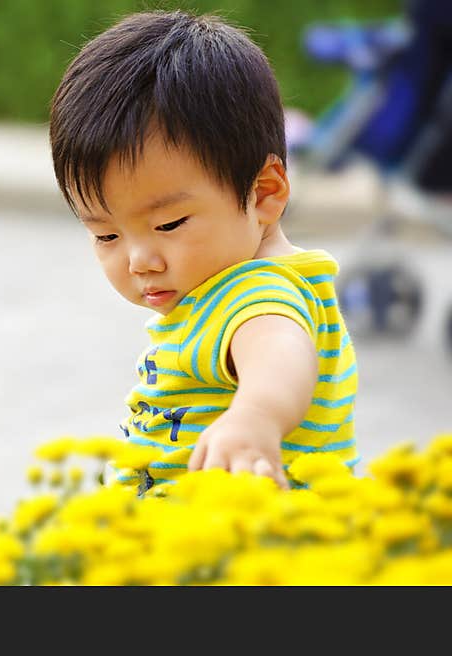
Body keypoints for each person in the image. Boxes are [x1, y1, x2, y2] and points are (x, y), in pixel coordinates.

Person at [49, 10, 359, 492]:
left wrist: (255, 418)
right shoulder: (218, 286)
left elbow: (280, 351)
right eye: (106, 235)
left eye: (168, 224)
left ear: (262, 193)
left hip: (232, 544)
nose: (138, 260)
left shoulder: (257, 292)